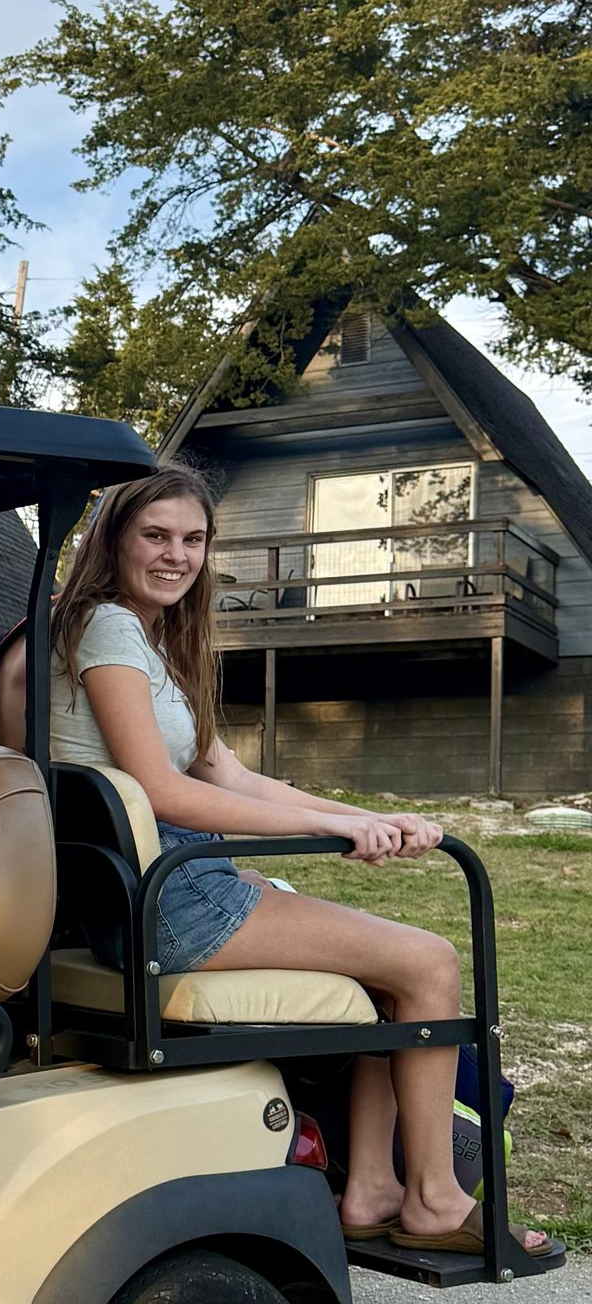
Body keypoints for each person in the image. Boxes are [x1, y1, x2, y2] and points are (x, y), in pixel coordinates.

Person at [47, 467, 550, 1259]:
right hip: (168, 898)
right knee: (430, 964)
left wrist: (366, 818)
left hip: (164, 887)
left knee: (392, 976)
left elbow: (230, 775)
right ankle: (435, 1197)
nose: (177, 555)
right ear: (113, 540)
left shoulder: (145, 639)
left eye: (193, 539)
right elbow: (160, 789)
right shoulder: (107, 626)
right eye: (156, 536)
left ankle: (374, 1188)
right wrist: (326, 825)